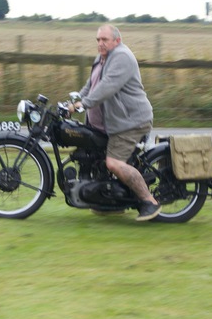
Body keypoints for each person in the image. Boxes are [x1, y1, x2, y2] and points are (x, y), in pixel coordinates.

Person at [69, 24, 161, 221]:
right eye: (98, 40)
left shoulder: (121, 56)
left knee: (113, 163)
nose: (100, 43)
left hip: (130, 122)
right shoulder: (101, 58)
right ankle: (109, 204)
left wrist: (82, 105)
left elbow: (107, 86)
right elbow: (91, 86)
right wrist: (72, 103)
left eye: (105, 39)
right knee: (95, 157)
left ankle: (149, 202)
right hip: (108, 125)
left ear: (117, 40)